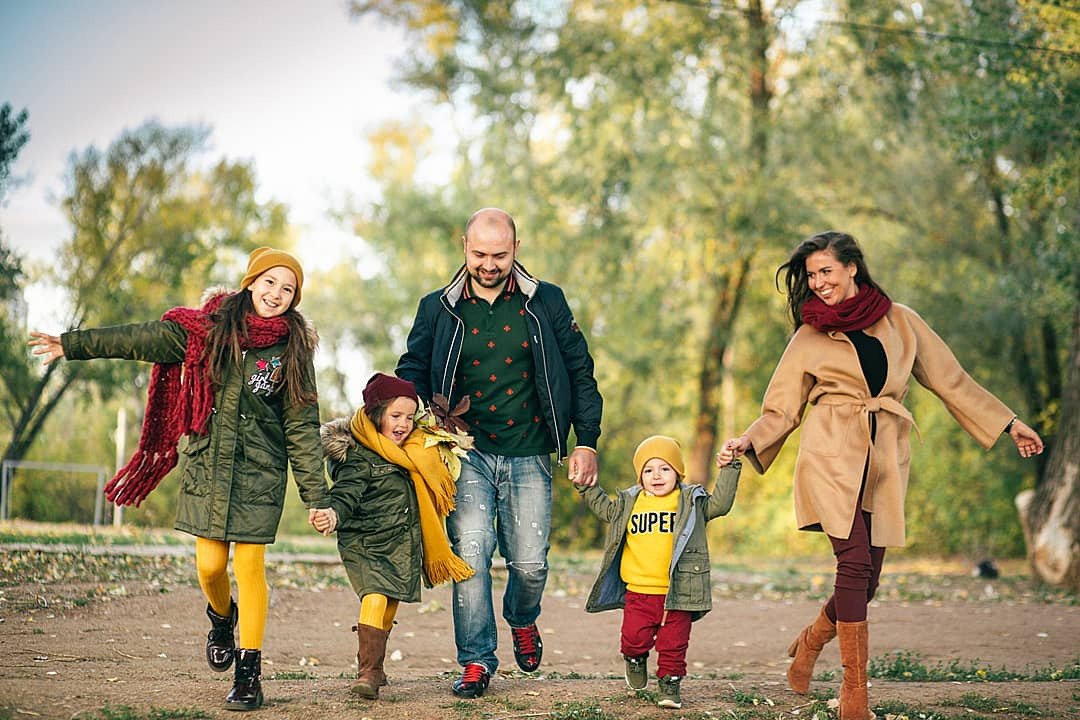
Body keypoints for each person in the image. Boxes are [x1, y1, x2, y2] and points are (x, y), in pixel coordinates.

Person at [720, 231, 1044, 720]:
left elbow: (951, 381)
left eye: (826, 271)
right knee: (852, 565)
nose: (818, 283)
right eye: (811, 275)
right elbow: (781, 408)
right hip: (829, 455)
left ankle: (811, 641)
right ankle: (855, 696)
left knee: (867, 582)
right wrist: (749, 438)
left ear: (853, 267)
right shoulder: (809, 335)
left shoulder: (902, 321)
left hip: (884, 459)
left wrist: (1009, 422)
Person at [29, 247, 335, 712]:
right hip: (207, 467)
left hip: (260, 473)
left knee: (250, 569)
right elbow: (140, 339)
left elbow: (300, 424)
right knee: (211, 568)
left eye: (287, 288)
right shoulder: (205, 331)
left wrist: (317, 495)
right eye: (269, 282)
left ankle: (248, 676)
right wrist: (71, 345)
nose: (276, 294)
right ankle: (220, 618)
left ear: (295, 298)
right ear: (250, 282)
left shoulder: (292, 348)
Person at [396, 207, 603, 698]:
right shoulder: (438, 307)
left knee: (530, 564)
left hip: (529, 450)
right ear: (464, 247)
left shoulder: (545, 301)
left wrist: (586, 440)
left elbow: (580, 370)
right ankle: (475, 661)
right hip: (463, 452)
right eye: (480, 254)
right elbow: (413, 367)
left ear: (516, 248)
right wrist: (407, 415)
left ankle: (522, 617)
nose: (489, 264)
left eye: (500, 255)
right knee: (469, 557)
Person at [317, 372, 474, 700]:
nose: (403, 424)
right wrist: (333, 512)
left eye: (408, 416)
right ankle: (368, 670)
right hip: (366, 542)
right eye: (395, 416)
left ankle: (376, 664)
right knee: (374, 596)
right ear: (376, 415)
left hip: (401, 542)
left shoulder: (415, 450)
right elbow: (347, 491)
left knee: (389, 602)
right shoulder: (359, 454)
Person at [575, 436, 740, 710]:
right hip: (638, 592)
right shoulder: (631, 501)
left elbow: (720, 504)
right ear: (640, 476)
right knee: (632, 639)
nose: (657, 476)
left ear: (678, 472)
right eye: (648, 470)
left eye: (665, 468)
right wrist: (584, 485)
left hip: (678, 593)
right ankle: (635, 658)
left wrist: (729, 468)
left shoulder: (691, 502)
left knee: (673, 645)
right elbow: (604, 508)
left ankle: (670, 684)